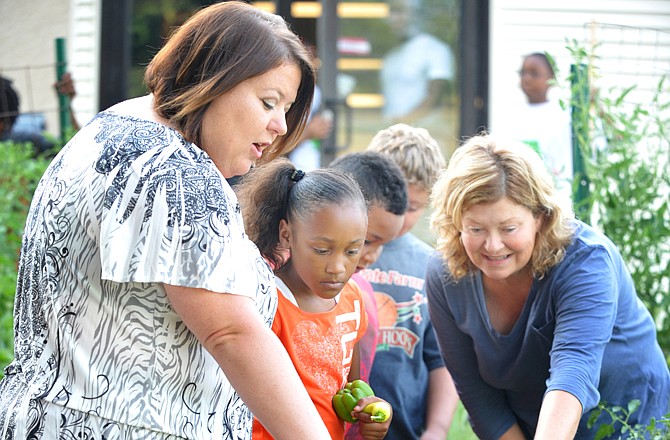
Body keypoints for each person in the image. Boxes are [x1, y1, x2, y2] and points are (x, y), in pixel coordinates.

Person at [0, 3, 333, 439]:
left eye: (287, 109)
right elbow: (230, 331)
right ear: (214, 79)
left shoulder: (116, 126)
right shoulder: (174, 170)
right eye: (268, 102)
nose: (279, 125)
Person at [425, 134, 670, 440]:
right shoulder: (445, 276)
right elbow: (476, 392)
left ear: (541, 218)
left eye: (508, 228)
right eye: (475, 229)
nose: (492, 245)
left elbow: (573, 370)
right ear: (456, 222)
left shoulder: (586, 262)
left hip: (626, 423)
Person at [236, 158, 392, 440]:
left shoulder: (353, 301)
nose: (338, 267)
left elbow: (348, 390)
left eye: (352, 250)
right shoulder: (264, 301)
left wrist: (372, 413)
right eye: (322, 250)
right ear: (287, 235)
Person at [358, 123, 459, 440]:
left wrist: (438, 428)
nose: (400, 217)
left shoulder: (431, 265)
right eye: (394, 202)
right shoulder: (338, 251)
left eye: (412, 207)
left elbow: (441, 359)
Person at [328, 151, 409, 440]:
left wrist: (374, 414)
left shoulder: (358, 296)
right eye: (369, 240)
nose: (373, 256)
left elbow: (355, 386)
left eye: (384, 244)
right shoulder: (272, 288)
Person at [498, 52, 573, 201]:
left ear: (551, 77)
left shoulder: (563, 115)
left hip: (557, 196)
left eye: (534, 74)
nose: (527, 79)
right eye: (523, 73)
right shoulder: (512, 115)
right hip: (521, 196)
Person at [380, 0, 455, 124]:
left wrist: (403, 123)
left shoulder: (435, 49)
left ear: (416, 15)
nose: (391, 18)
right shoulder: (391, 56)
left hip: (428, 137)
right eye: (390, 12)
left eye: (399, 11)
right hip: (394, 137)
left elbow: (436, 98)